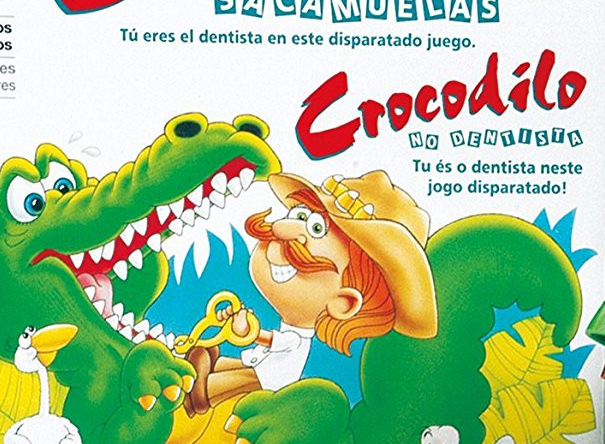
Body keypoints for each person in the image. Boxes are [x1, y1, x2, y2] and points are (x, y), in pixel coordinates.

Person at [184, 170, 437, 414]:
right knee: (248, 368)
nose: (282, 227)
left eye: (316, 229)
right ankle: (214, 365)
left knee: (247, 379)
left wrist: (250, 333)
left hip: (279, 375)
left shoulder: (296, 340)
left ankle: (203, 393)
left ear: (344, 302)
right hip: (272, 364)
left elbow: (272, 341)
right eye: (298, 215)